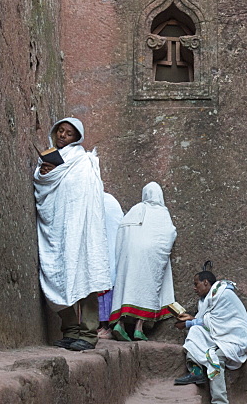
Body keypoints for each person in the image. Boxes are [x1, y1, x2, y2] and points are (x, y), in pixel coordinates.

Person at [33, 118, 112, 351]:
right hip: (58, 230)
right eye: (60, 131)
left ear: (76, 138)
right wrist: (46, 173)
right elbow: (43, 183)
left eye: (68, 133)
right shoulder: (49, 158)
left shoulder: (82, 161)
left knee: (84, 278)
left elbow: (81, 190)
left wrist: (58, 172)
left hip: (80, 229)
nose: (62, 136)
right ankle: (70, 331)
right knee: (61, 276)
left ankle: (88, 335)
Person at [174, 268, 247, 404]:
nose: (194, 288)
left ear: (206, 282)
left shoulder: (223, 294)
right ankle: (196, 372)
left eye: (196, 284)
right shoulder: (208, 300)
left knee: (215, 358)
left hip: (237, 339)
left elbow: (217, 322)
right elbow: (208, 322)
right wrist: (189, 323)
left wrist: (189, 322)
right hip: (223, 336)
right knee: (196, 331)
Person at [109, 182, 177, 341]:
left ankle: (120, 324)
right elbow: (169, 234)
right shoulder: (162, 212)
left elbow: (122, 232)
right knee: (147, 289)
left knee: (127, 287)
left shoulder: (135, 210)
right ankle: (139, 328)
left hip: (130, 257)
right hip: (149, 258)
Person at [97, 191, 125, 339]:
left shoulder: (104, 201)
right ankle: (103, 325)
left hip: (107, 251)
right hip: (108, 251)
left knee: (106, 291)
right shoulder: (111, 201)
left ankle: (107, 326)